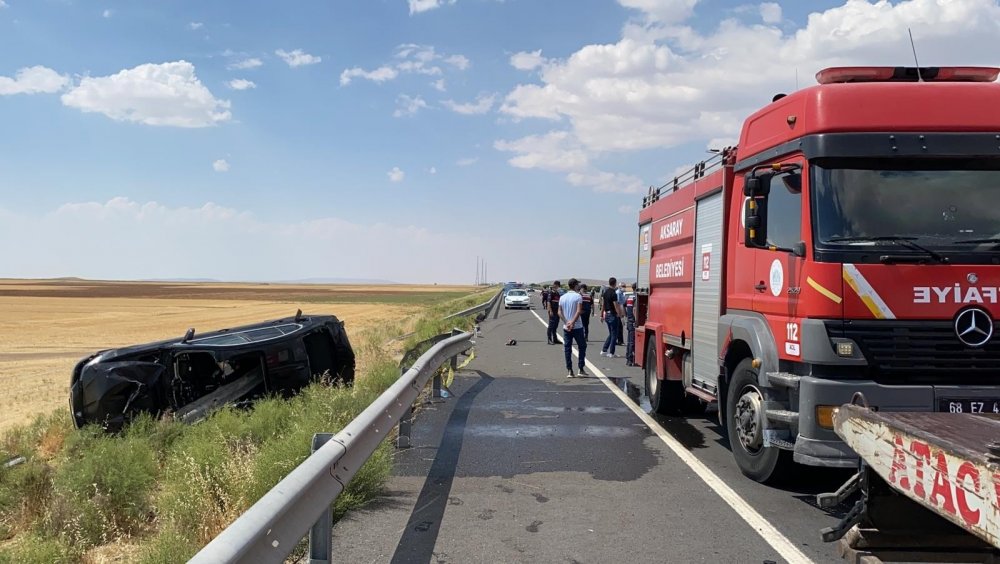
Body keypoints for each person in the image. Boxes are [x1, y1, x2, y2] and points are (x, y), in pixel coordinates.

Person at [558, 278, 588, 378]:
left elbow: (559, 312)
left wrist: (567, 322)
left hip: (566, 327)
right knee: (582, 346)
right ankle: (581, 368)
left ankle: (570, 370)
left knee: (567, 348)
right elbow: (579, 311)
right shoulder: (578, 296)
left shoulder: (562, 297)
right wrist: (573, 322)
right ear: (575, 286)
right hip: (577, 326)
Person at [600, 277, 623, 357]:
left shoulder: (605, 292)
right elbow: (616, 305)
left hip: (607, 314)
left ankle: (604, 350)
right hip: (613, 315)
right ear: (615, 283)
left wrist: (601, 315)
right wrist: (620, 314)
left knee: (611, 333)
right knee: (614, 334)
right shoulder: (613, 293)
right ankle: (611, 352)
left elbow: (603, 304)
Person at [625, 283, 637, 366]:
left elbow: (624, 307)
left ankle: (628, 357)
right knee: (632, 341)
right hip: (633, 321)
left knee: (629, 341)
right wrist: (636, 320)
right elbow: (635, 310)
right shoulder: (636, 297)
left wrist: (626, 316)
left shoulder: (629, 297)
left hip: (629, 320)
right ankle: (630, 359)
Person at [546, 281, 562, 345]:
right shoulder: (550, 293)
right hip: (552, 311)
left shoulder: (557, 293)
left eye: (558, 286)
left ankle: (555, 339)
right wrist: (550, 311)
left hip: (557, 312)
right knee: (551, 326)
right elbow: (548, 302)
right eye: (557, 285)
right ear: (554, 285)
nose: (557, 287)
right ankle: (549, 340)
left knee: (555, 326)